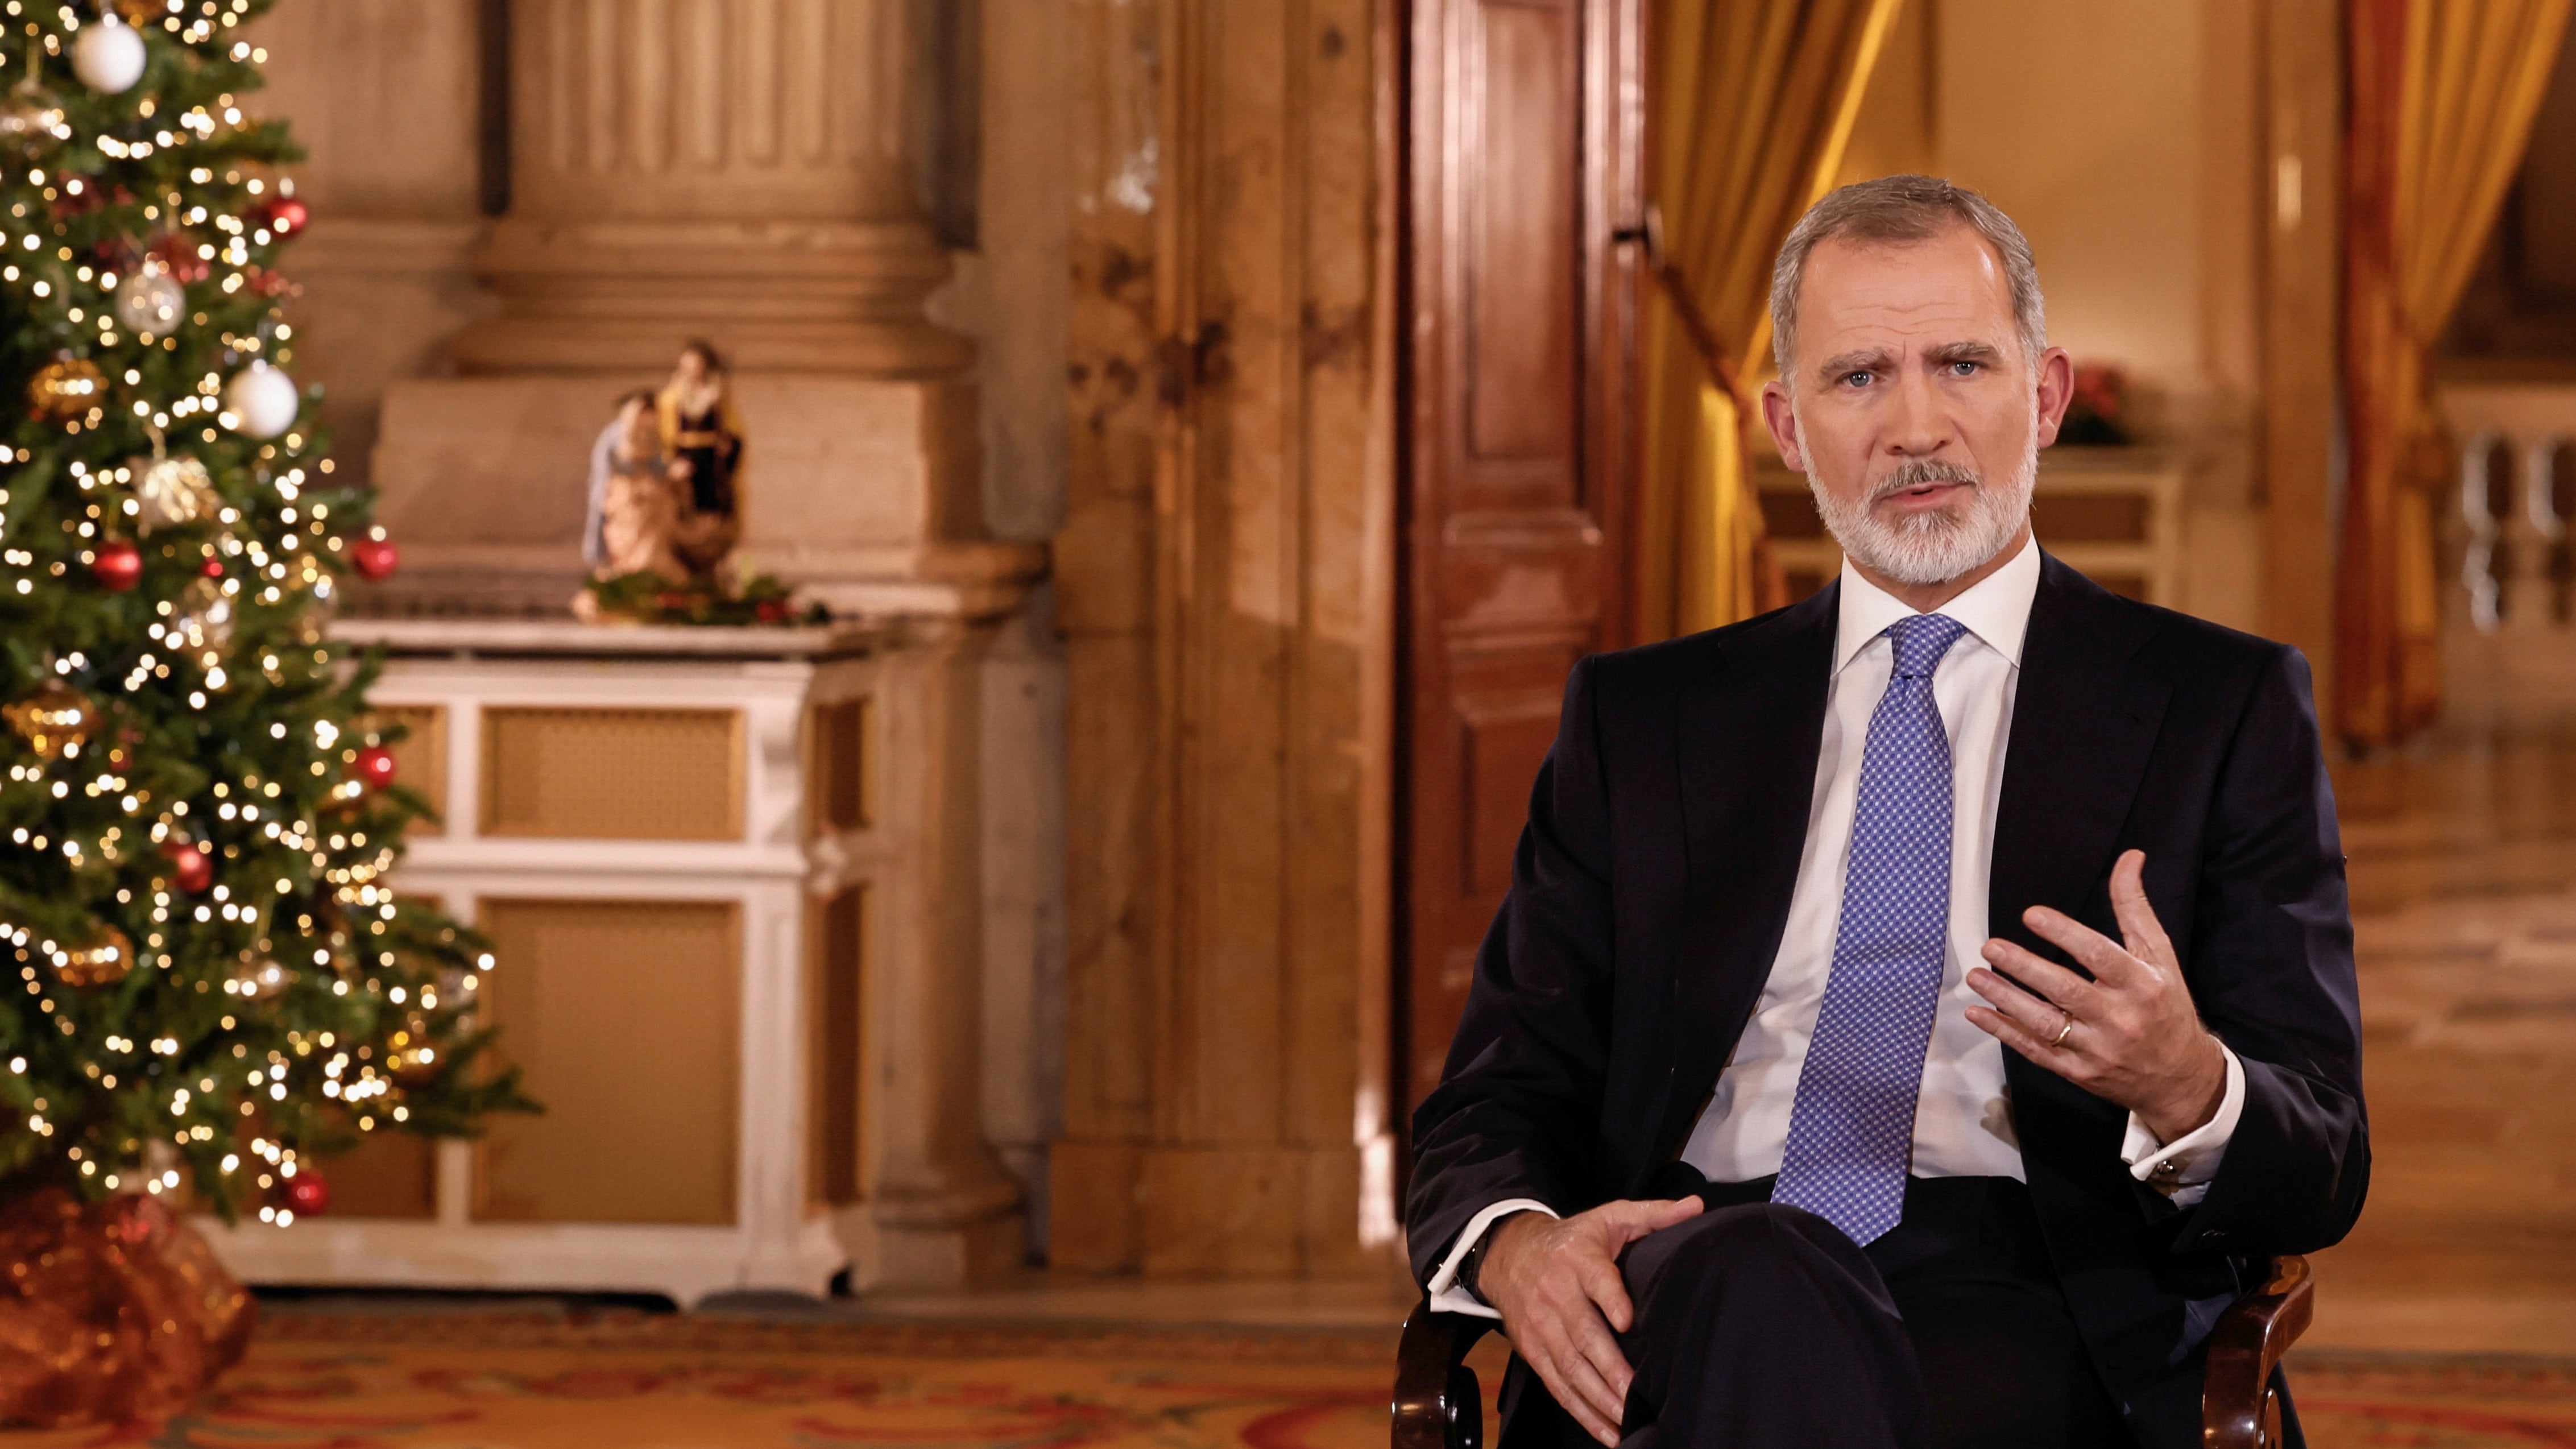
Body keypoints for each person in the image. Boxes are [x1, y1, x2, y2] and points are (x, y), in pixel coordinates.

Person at [1403, 175, 2365, 1449]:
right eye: (1858, 378)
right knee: (1759, 1278)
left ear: (2046, 396)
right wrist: (1519, 1246)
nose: (1918, 427)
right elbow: (1494, 1096)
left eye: (1962, 363)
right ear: (1786, 426)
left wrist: (2188, 1083)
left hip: (2036, 1281)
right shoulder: (1646, 721)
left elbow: (2325, 1156)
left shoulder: (2221, 705)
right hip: (1689, 1261)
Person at [657, 338, 745, 576]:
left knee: (715, 516)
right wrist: (671, 463)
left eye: (697, 366)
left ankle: (715, 568)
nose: (693, 372)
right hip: (684, 463)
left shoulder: (717, 394)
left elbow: (733, 431)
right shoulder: (672, 397)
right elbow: (664, 436)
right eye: (688, 366)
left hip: (712, 467)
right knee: (684, 514)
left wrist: (730, 444)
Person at [582, 388, 660, 572]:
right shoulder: (619, 433)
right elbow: (626, 462)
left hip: (639, 498)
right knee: (619, 541)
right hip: (622, 495)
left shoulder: (647, 434)